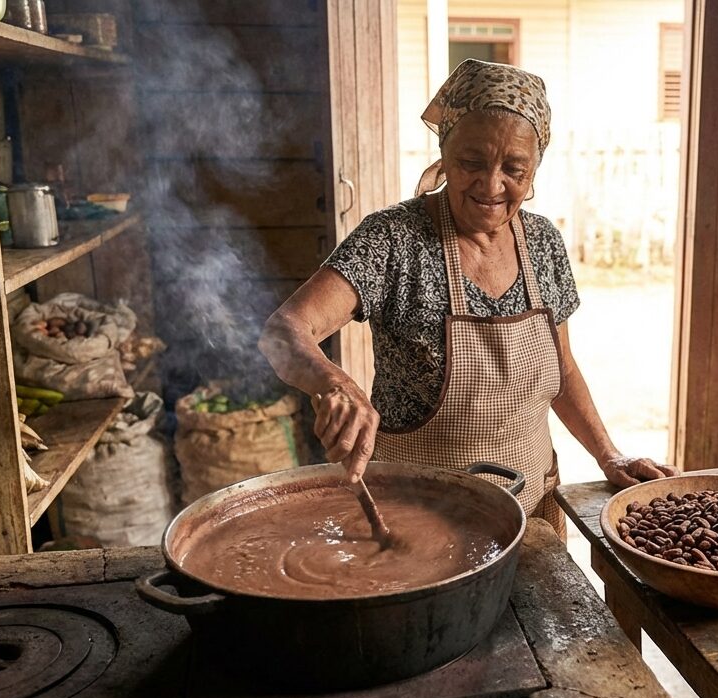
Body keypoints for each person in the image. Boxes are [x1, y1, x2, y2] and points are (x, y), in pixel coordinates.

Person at [260, 59, 676, 534]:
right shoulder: (393, 240)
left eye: (514, 169)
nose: (492, 185)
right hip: (418, 516)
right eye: (472, 162)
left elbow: (561, 366)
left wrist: (609, 453)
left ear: (535, 168)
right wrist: (334, 383)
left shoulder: (543, 242)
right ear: (444, 151)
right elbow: (283, 332)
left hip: (531, 511)